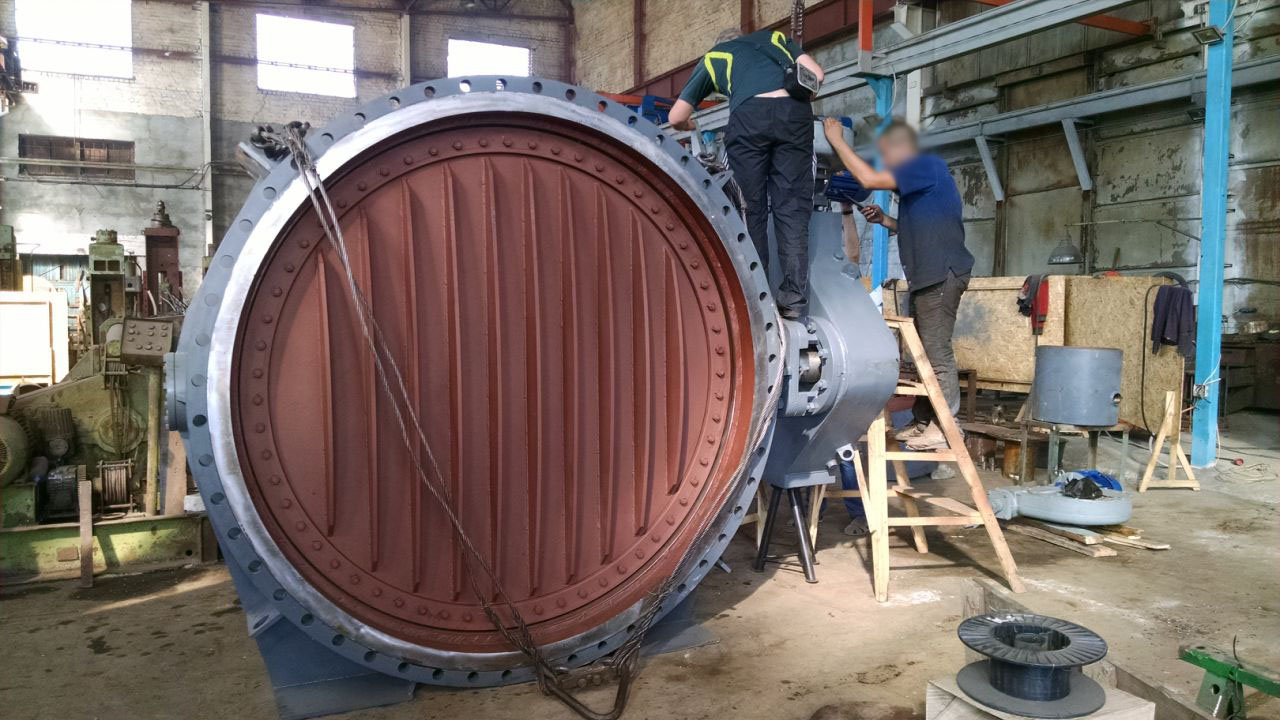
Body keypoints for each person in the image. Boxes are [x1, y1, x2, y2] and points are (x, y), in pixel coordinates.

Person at [821, 117, 975, 451]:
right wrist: (885, 220)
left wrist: (836, 139)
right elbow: (918, 228)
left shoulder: (925, 165)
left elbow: (867, 178)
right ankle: (924, 421)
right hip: (927, 276)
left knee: (936, 352)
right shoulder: (922, 182)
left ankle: (947, 427)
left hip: (940, 274)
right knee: (921, 354)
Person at [668, 29, 825, 320]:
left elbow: (675, 117)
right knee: (792, 209)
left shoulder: (716, 56)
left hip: (749, 119)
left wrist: (688, 126)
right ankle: (792, 301)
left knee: (749, 208)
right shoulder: (775, 38)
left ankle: (757, 299)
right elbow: (817, 75)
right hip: (796, 116)